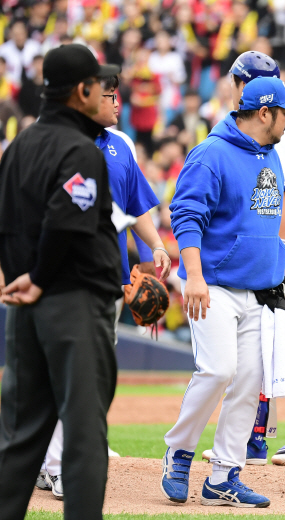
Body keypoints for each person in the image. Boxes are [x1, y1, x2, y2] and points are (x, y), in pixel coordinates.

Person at [161, 76, 285, 508]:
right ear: (265, 113)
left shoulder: (272, 155)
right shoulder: (211, 153)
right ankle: (180, 451)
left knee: (249, 382)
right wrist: (194, 276)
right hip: (215, 287)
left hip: (260, 291)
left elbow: (265, 226)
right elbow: (186, 215)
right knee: (219, 370)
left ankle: (224, 476)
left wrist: (281, 273)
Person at [199, 50, 285, 468]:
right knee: (270, 348)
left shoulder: (280, 130)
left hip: (278, 252)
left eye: (236, 80)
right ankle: (257, 440)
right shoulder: (265, 126)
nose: (232, 87)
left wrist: (274, 255)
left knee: (272, 347)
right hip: (275, 251)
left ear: (246, 85)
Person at [34, 73, 172, 500]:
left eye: (118, 94)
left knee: (92, 374)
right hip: (63, 275)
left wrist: (155, 246)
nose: (117, 102)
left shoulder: (121, 144)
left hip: (110, 277)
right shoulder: (54, 138)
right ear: (86, 96)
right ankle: (58, 463)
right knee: (70, 372)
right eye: (110, 95)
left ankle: (58, 455)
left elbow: (134, 206)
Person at [0, 43, 122, 520]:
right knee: (84, 435)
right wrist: (40, 278)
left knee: (21, 437)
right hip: (69, 303)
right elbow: (65, 224)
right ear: (82, 91)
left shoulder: (19, 147)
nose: (107, 90)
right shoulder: (80, 151)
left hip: (23, 311)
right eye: (101, 84)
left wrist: (19, 280)